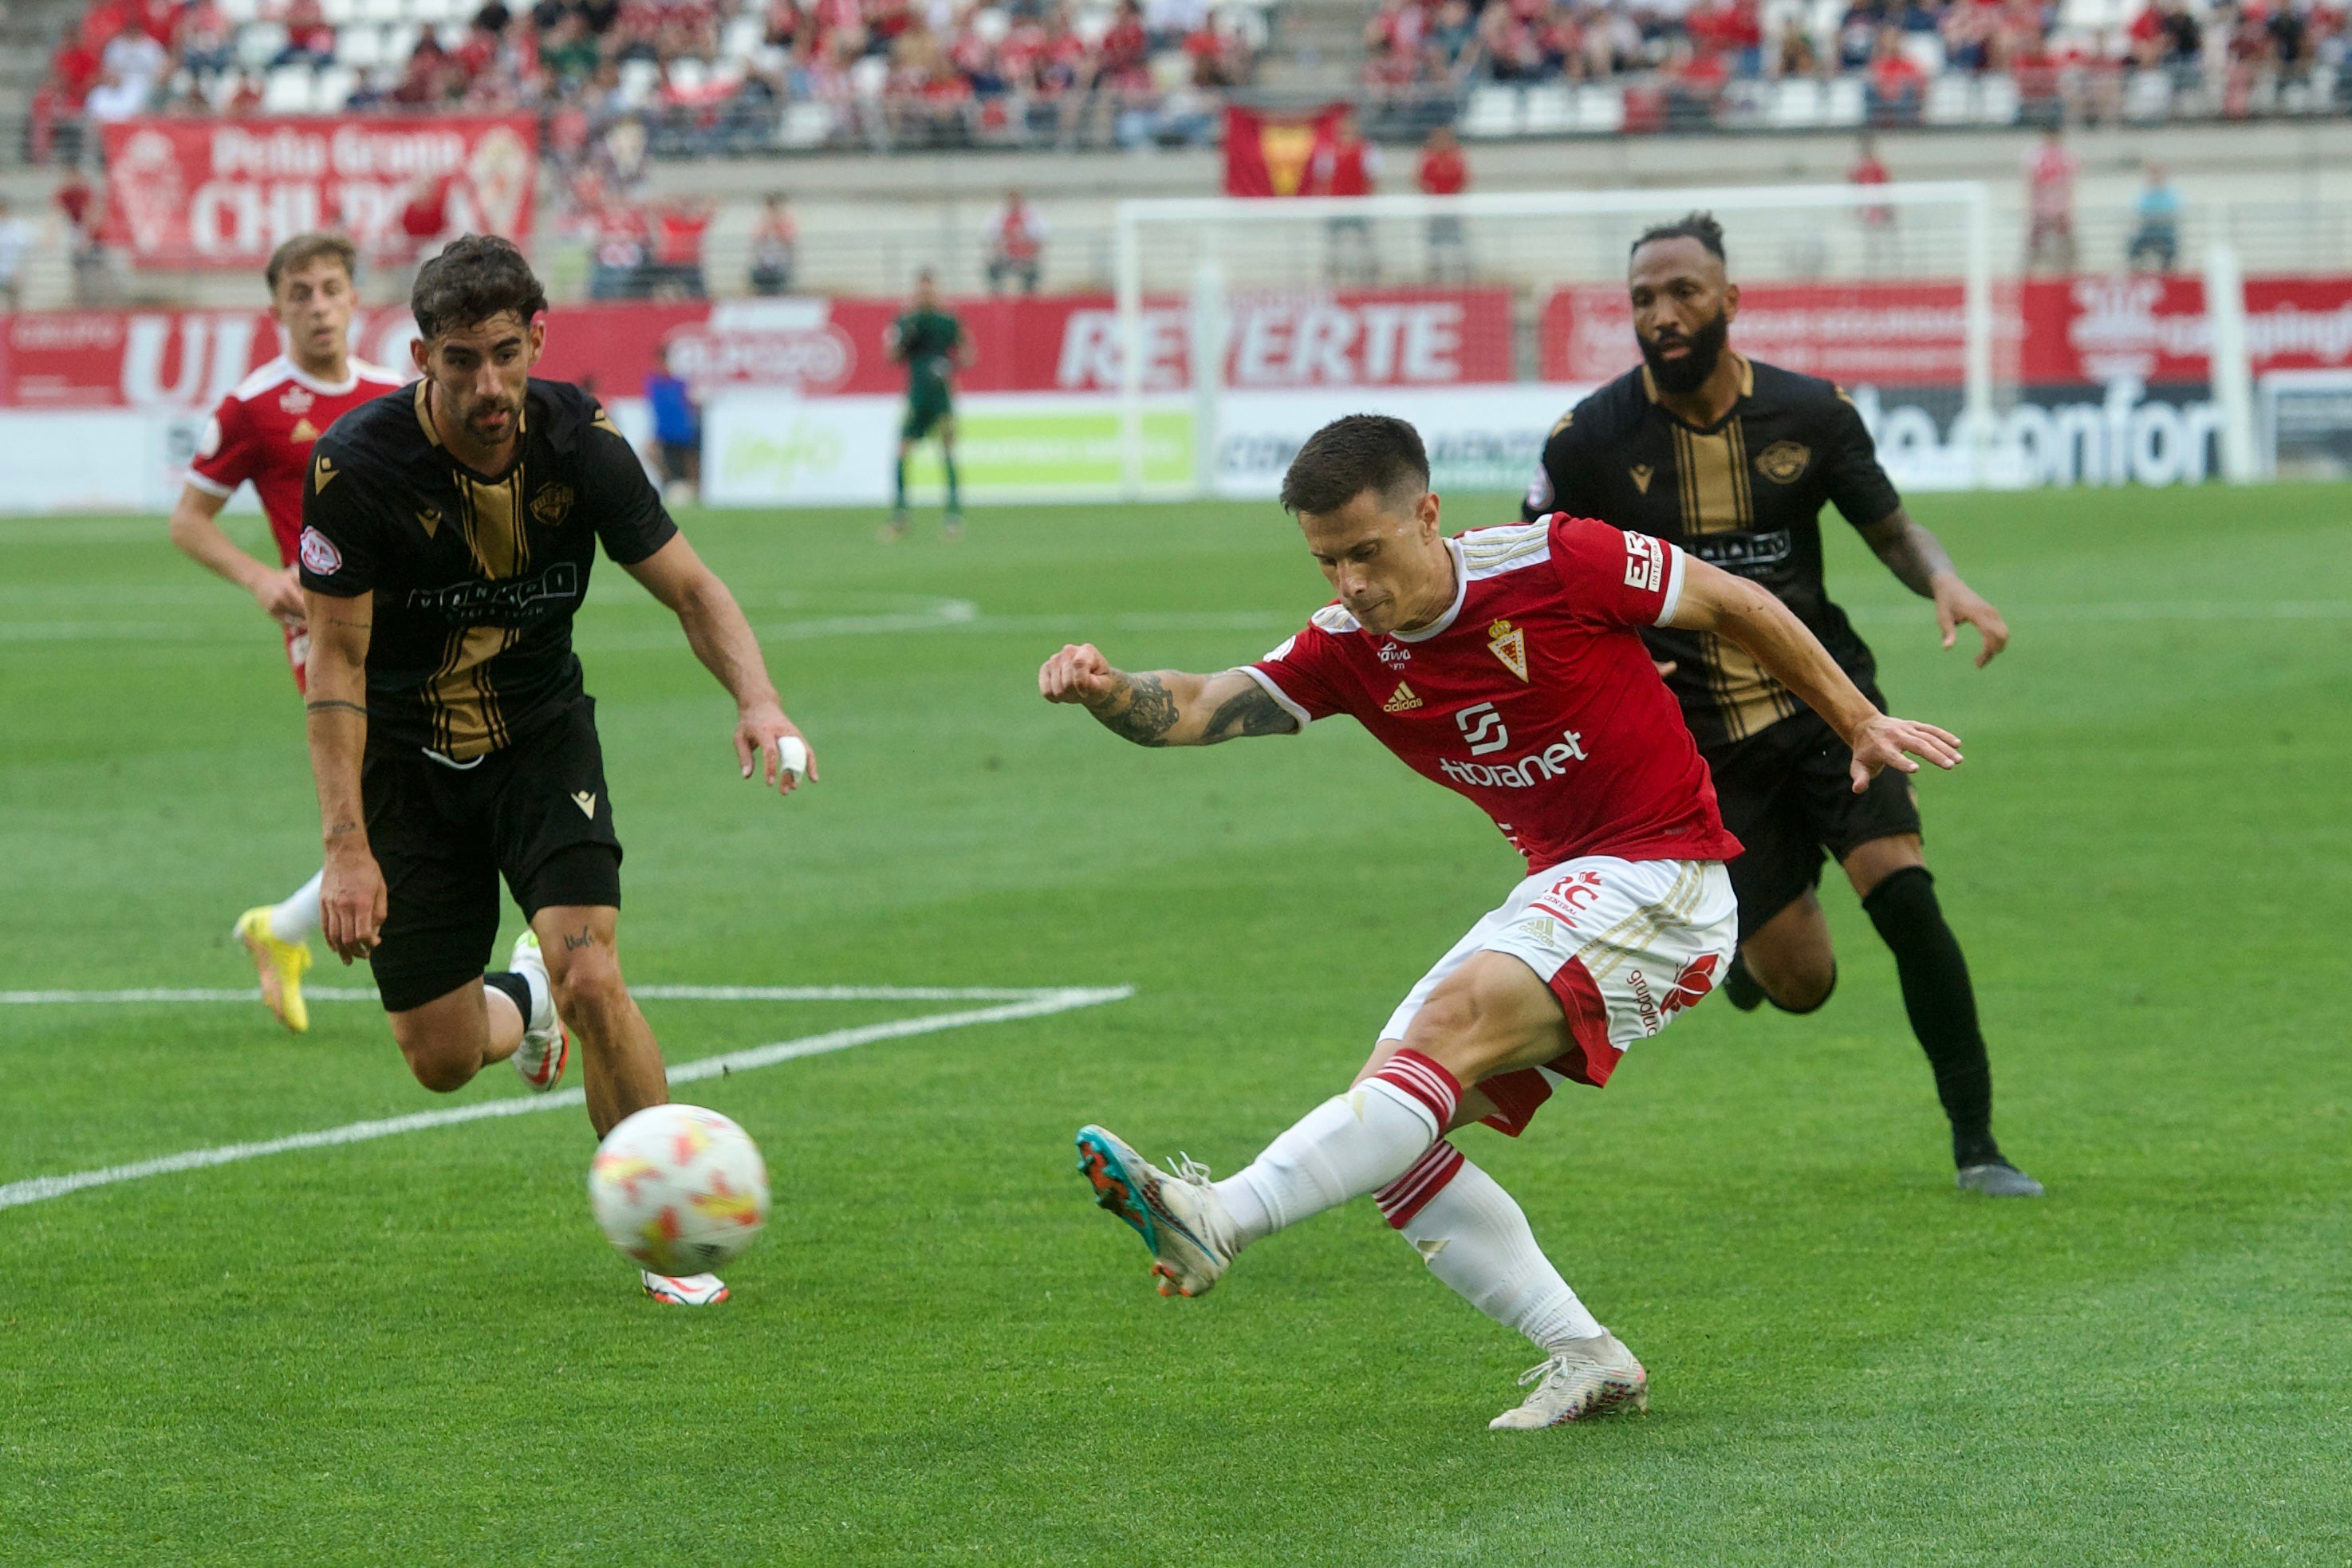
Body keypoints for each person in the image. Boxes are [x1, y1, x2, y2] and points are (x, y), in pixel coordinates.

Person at [1042, 414, 1966, 1428]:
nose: (1348, 584)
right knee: (1389, 1129)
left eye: (1365, 552)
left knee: (1443, 1029)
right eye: (1325, 560)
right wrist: (1105, 690)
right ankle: (1586, 1354)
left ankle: (1220, 1215)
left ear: (1426, 516)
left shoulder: (1558, 561)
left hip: (1667, 872)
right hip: (1570, 888)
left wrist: (1859, 721)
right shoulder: (1348, 646)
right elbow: (1198, 703)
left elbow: (1738, 601)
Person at [297, 235, 816, 1306]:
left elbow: (692, 588)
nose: (487, 385)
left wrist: (757, 698)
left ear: (538, 337)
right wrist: (345, 848)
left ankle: (668, 1242)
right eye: (459, 361)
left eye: (503, 354)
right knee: (439, 1055)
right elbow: (337, 662)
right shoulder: (358, 466)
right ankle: (522, 996)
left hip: (539, 739)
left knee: (594, 970)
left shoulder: (582, 444)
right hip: (407, 763)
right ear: (420, 356)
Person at [1521, 212, 2040, 1199]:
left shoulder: (1813, 414)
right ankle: (1752, 960)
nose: (1664, 315)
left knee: (1908, 901)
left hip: (1830, 708)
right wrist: (1608, 660)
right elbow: (1537, 574)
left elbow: (1893, 530)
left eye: (1683, 292)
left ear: (1730, 300)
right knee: (1802, 985)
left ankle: (1978, 1145)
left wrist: (1945, 580)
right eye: (1643, 300)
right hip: (1705, 747)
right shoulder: (1592, 439)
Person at [169, 233, 408, 1034]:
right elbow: (189, 521)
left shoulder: (393, 392)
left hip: (405, 624)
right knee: (400, 793)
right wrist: (263, 578)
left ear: (354, 299)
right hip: (323, 633)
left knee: (404, 798)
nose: (317, 305)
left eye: (330, 288)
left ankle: (285, 928)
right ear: (275, 306)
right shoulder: (253, 406)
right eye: (299, 292)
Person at [881, 270, 971, 542]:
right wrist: (904, 338)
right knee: (902, 451)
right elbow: (892, 356)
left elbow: (969, 353)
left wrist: (950, 366)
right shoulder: (906, 320)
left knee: (947, 451)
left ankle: (953, 517)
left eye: (929, 290)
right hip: (916, 397)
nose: (925, 295)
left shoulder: (949, 321)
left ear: (936, 292)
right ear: (915, 293)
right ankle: (900, 516)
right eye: (921, 291)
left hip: (941, 396)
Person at [644, 341, 700, 504]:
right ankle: (669, 484)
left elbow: (689, 405)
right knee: (650, 452)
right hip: (663, 434)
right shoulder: (653, 383)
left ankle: (692, 490)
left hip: (682, 433)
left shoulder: (679, 383)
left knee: (691, 462)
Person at [1416, 124, 1468, 283]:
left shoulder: (1456, 156)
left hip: (1452, 208)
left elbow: (1463, 180)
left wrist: (1452, 201)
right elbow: (1420, 180)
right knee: (1434, 245)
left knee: (1457, 243)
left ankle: (1463, 277)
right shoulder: (1428, 157)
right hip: (1434, 209)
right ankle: (1435, 277)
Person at [2024, 128, 2077, 274]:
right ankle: (2031, 277)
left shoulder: (2037, 156)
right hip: (2050, 210)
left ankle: (2063, 277)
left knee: (2064, 250)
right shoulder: (2064, 156)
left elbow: (2070, 185)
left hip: (2052, 210)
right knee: (2035, 249)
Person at [983, 189, 1048, 296]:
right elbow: (990, 237)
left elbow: (1041, 237)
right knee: (992, 268)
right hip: (1005, 257)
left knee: (1033, 271)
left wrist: (1032, 255)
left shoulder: (1032, 214)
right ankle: (997, 296)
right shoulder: (998, 214)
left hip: (1026, 257)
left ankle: (1029, 296)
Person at [2127, 163, 2181, 273]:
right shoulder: (2145, 194)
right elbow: (2139, 212)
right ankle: (2136, 270)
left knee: (2171, 245)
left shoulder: (2171, 194)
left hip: (2164, 231)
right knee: (2133, 243)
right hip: (2148, 230)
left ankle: (2168, 271)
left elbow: (2172, 213)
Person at [748, 192, 797, 296]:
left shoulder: (785, 221)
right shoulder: (762, 222)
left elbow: (788, 239)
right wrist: (768, 224)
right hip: (764, 263)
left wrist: (777, 224)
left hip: (780, 262)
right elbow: (757, 238)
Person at [0, 198, 34, 310]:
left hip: (13, 275)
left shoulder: (18, 228)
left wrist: (21, 270)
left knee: (14, 307)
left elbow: (26, 251)